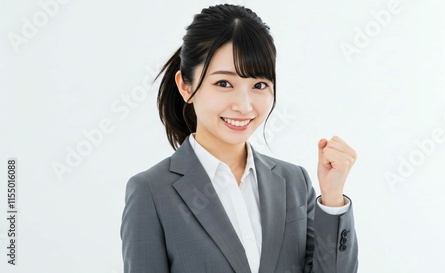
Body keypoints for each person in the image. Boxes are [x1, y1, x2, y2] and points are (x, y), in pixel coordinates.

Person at [120, 3, 358, 273]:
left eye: (259, 85)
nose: (244, 106)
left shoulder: (294, 182)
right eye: (224, 83)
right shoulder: (151, 192)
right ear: (186, 87)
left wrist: (332, 198)